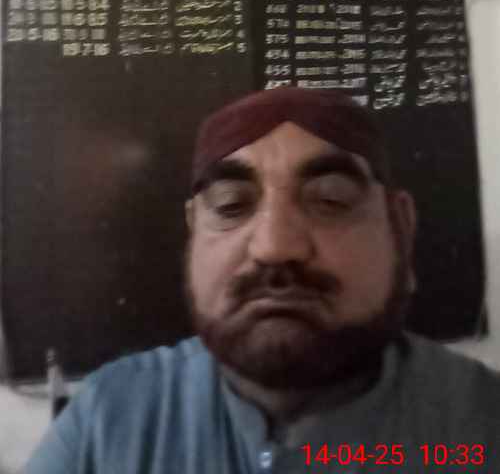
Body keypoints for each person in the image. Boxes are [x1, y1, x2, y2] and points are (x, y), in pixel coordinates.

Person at [26, 87, 500, 473]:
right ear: (194, 233)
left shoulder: (480, 424)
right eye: (231, 206)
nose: (275, 246)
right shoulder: (108, 422)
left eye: (331, 200)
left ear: (401, 228)